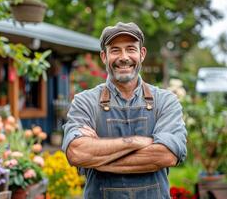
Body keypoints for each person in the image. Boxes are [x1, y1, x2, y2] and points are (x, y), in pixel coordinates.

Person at [62, 22, 187, 199]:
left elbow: (166, 155)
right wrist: (138, 141)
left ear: (142, 54)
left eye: (130, 49)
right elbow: (77, 153)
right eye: (115, 50)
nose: (124, 57)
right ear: (104, 56)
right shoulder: (85, 101)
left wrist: (98, 159)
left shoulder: (165, 101)